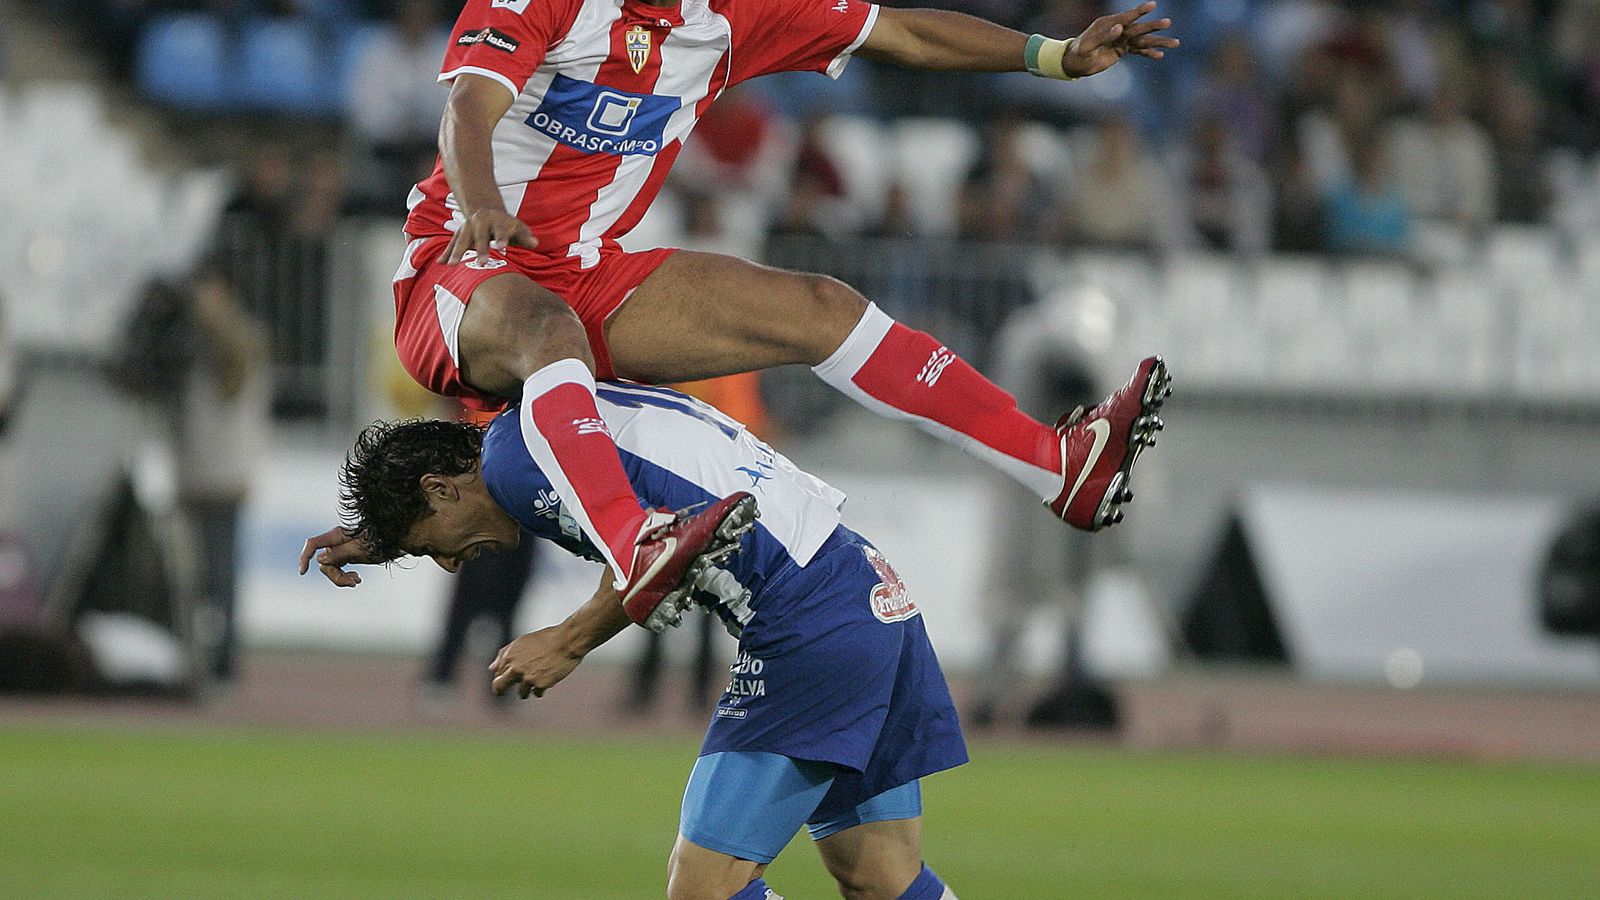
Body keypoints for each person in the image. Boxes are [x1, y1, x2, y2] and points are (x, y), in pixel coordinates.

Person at [302, 0, 1180, 629]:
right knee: (547, 331)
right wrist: (484, 205)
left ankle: (1057, 465)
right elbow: (468, 106)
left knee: (818, 307)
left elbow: (902, 31)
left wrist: (1054, 56)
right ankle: (635, 544)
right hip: (455, 267)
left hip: (586, 273)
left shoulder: (733, 17)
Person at [307, 383, 982, 899]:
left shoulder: (517, 469)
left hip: (809, 617)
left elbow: (660, 542)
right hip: (865, 586)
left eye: (429, 545)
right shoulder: (544, 423)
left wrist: (567, 641)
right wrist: (383, 536)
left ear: (441, 487)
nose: (451, 564)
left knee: (703, 889)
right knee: (882, 877)